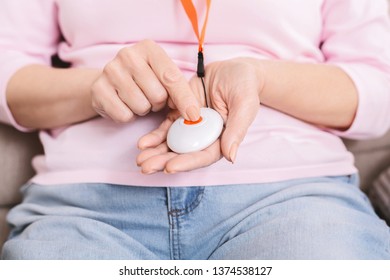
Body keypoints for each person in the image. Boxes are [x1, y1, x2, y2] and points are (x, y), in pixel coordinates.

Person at [0, 0, 390, 260]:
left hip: (294, 202)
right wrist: (97, 87)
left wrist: (261, 78)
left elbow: (379, 87)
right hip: (86, 211)